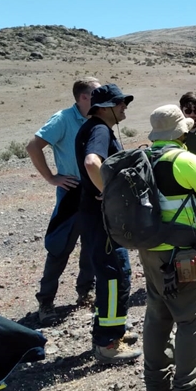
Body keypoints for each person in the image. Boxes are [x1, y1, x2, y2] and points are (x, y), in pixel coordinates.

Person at [138, 104, 196, 391]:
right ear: (181, 131)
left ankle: (156, 390)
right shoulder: (184, 160)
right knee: (191, 318)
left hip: (150, 251)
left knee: (157, 315)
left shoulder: (142, 159)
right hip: (182, 254)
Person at [75, 83, 141, 365]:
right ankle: (107, 343)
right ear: (103, 108)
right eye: (119, 103)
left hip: (93, 217)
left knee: (110, 274)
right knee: (115, 276)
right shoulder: (100, 130)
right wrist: (107, 192)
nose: (124, 106)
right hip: (101, 219)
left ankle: (111, 330)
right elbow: (92, 162)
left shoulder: (91, 128)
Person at [27, 77, 100, 323]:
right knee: (60, 247)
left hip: (94, 191)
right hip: (72, 192)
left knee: (91, 244)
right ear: (82, 97)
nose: (101, 96)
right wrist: (51, 177)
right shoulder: (63, 119)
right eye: (95, 93)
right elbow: (33, 146)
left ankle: (85, 291)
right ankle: (46, 301)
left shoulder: (97, 118)